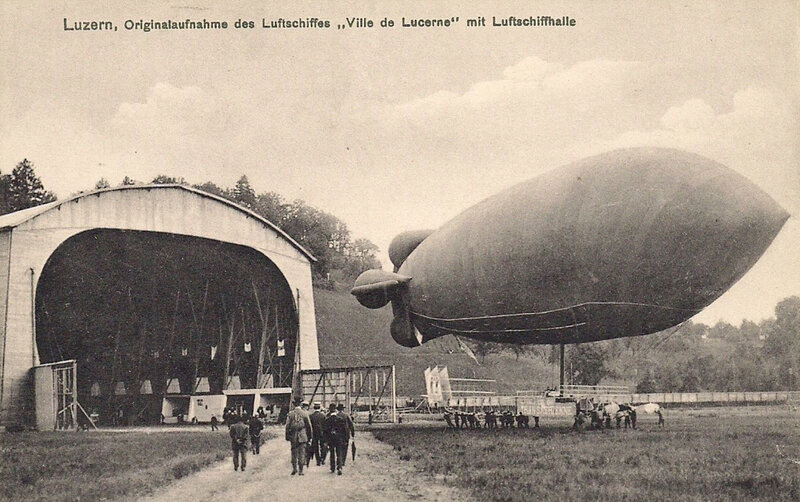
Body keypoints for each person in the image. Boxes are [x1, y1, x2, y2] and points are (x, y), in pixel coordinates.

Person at [285, 398, 313, 475]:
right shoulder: (304, 413)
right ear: (300, 405)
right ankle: (301, 470)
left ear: (294, 405)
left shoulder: (290, 414)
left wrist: (287, 436)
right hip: (303, 436)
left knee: (294, 453)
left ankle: (294, 469)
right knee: (302, 453)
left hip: (293, 436)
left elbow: (287, 426)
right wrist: (310, 437)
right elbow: (309, 426)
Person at [333, 403, 355, 475]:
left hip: (337, 436)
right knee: (344, 448)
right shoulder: (346, 416)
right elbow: (351, 425)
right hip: (345, 435)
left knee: (338, 449)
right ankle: (343, 462)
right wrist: (352, 434)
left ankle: (339, 462)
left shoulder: (335, 416)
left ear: (337, 409)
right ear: (343, 409)